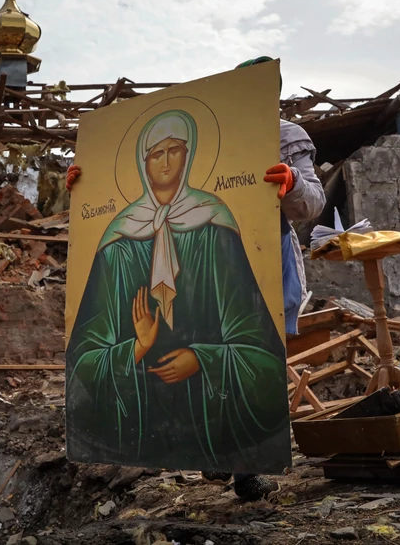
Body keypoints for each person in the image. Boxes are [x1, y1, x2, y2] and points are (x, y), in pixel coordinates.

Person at [65, 57, 326, 501]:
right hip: (153, 305)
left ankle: (243, 467)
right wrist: (83, 188)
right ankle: (181, 452)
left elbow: (312, 204)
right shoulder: (122, 235)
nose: (165, 163)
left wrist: (293, 182)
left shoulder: (282, 137)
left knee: (258, 351)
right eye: (155, 153)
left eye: (176, 151)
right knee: (160, 362)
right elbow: (90, 341)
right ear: (142, 162)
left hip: (255, 260)